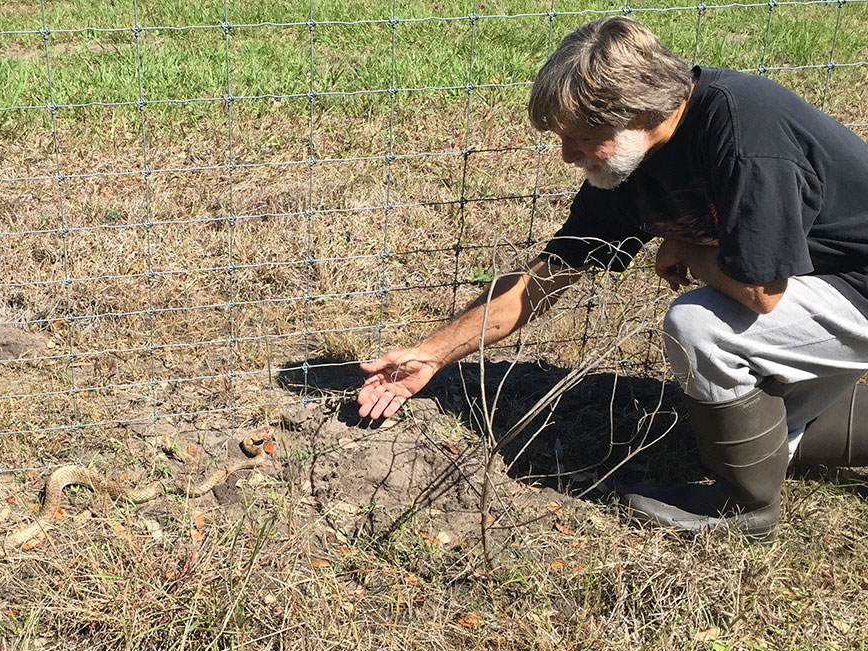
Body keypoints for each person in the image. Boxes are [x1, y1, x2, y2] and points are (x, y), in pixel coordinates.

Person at [355, 16, 868, 542]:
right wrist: (430, 356)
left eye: (581, 137)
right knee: (763, 437)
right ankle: (783, 445)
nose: (566, 155)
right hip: (828, 285)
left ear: (641, 112)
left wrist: (690, 250)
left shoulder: (744, 135)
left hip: (858, 286)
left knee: (699, 326)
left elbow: (762, 293)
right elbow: (543, 279)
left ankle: (744, 507)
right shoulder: (629, 168)